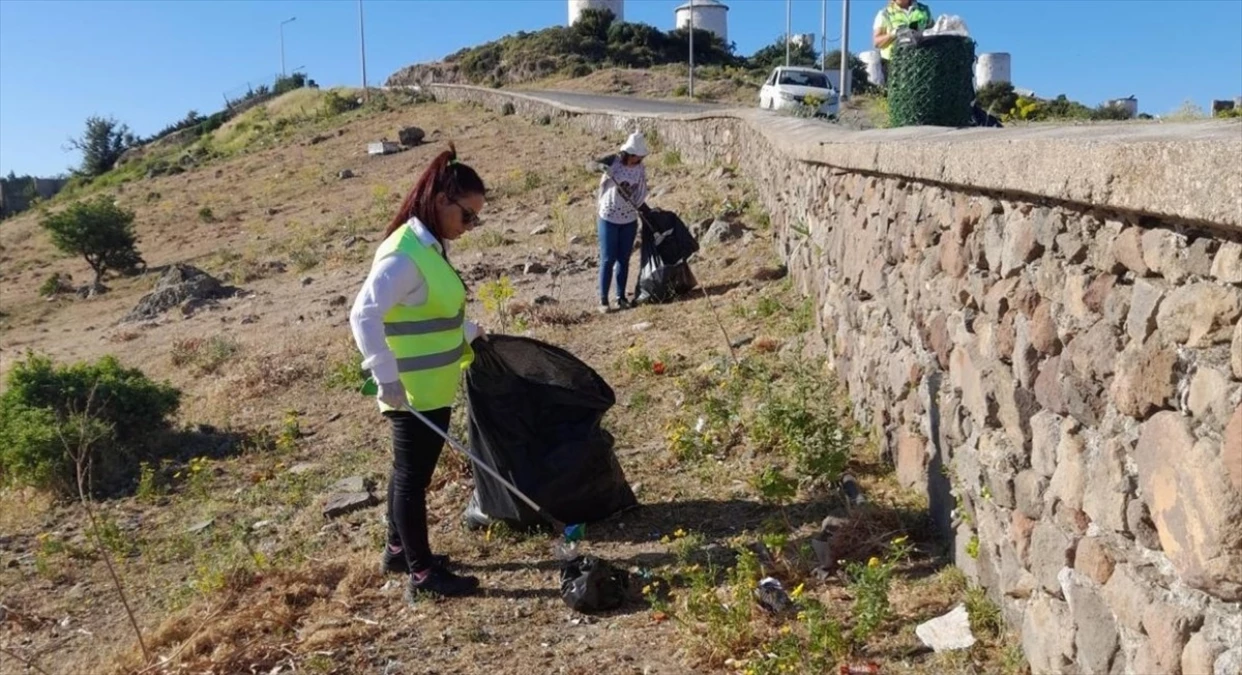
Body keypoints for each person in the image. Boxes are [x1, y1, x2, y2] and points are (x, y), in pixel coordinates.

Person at [349, 142, 488, 600]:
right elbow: (363, 314)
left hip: (431, 385)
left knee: (407, 473)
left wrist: (467, 331)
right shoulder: (405, 254)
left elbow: (427, 311)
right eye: (467, 216)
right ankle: (423, 576)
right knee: (413, 479)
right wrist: (385, 377)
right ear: (441, 200)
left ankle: (396, 550)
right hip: (411, 391)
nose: (470, 227)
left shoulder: (430, 246)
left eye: (476, 220)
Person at [588, 131, 649, 313]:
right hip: (608, 217)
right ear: (629, 153)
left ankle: (621, 297)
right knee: (608, 259)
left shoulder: (640, 169)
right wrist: (600, 168)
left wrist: (646, 210)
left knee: (624, 258)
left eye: (640, 157)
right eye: (636, 156)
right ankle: (603, 300)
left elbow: (640, 192)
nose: (637, 159)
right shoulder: (613, 160)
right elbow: (590, 164)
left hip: (629, 219)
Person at [872, 0, 933, 88]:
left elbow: (934, 31)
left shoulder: (924, 10)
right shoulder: (885, 13)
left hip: (921, 63)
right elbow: (877, 42)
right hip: (894, 65)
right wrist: (893, 34)